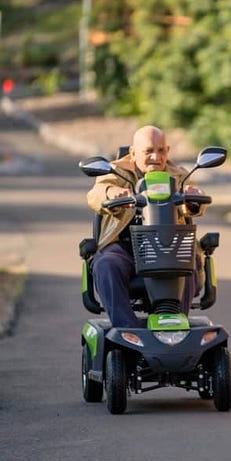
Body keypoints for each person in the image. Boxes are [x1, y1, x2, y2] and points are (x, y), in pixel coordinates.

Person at [86, 125, 202, 328]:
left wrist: (193, 198)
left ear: (167, 151)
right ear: (133, 153)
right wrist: (111, 192)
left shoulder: (179, 176)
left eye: (161, 150)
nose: (156, 157)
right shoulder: (116, 172)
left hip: (169, 248)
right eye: (148, 151)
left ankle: (175, 327)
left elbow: (193, 205)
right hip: (125, 249)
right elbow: (96, 193)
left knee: (190, 260)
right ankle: (128, 332)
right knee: (106, 264)